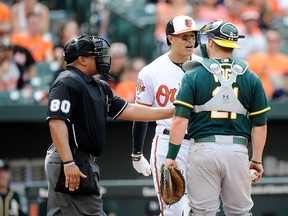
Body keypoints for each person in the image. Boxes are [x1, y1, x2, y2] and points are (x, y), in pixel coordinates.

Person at [45, 34, 174, 216]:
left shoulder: (99, 86)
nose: (102, 58)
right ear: (82, 59)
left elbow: (128, 110)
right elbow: (56, 122)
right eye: (96, 54)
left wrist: (169, 112)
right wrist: (68, 162)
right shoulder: (68, 80)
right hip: (71, 158)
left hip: (74, 159)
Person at [164, 19, 271, 215]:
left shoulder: (193, 74)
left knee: (202, 212)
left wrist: (171, 156)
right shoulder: (251, 77)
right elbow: (260, 125)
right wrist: (256, 159)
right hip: (238, 151)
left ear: (211, 42)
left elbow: (180, 120)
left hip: (203, 150)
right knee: (240, 212)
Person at [131, 15, 201, 215]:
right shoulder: (151, 71)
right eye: (184, 37)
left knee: (201, 209)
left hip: (200, 142)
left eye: (192, 36)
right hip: (167, 140)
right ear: (170, 38)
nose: (190, 41)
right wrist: (136, 153)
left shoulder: (204, 66)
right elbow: (141, 113)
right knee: (171, 209)